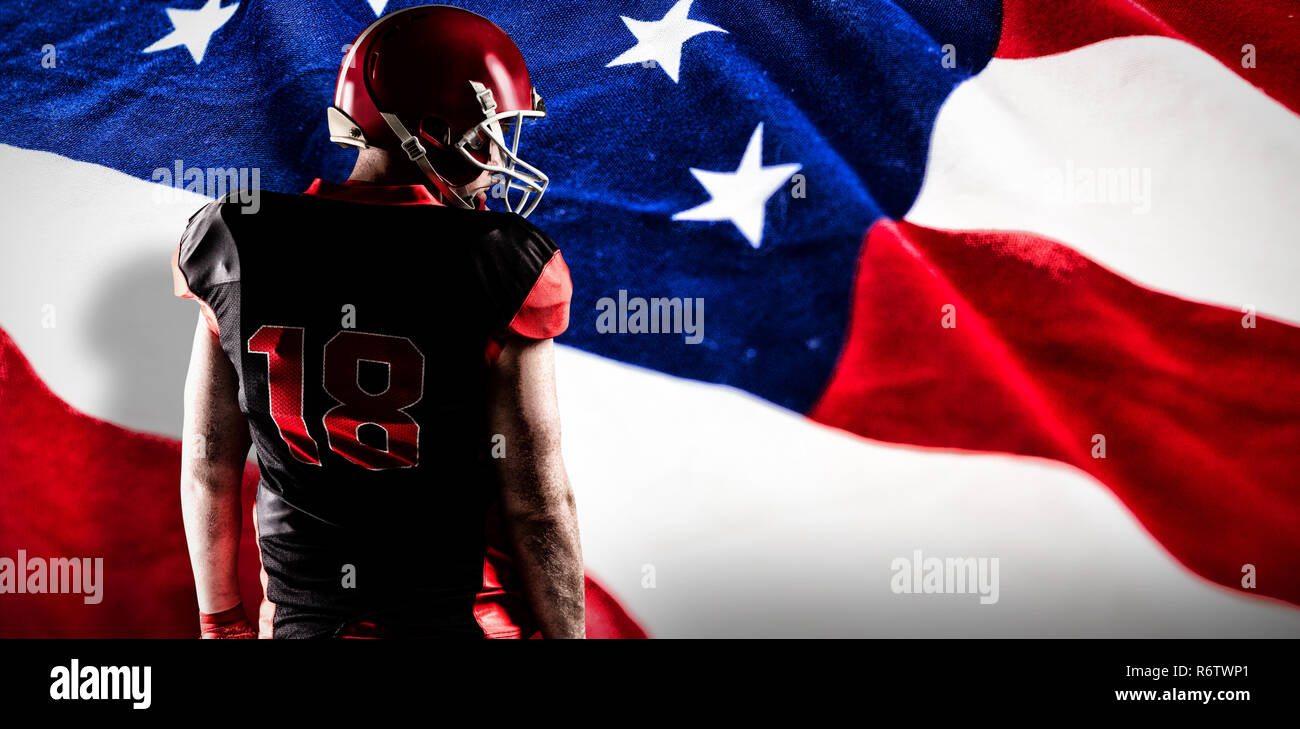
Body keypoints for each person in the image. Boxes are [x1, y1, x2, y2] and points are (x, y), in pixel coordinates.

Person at [173, 5, 584, 639]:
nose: (499, 154)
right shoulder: (499, 260)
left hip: (307, 623)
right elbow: (537, 507)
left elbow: (209, 463)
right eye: (491, 133)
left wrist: (220, 621)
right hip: (459, 621)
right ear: (432, 131)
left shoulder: (236, 240)